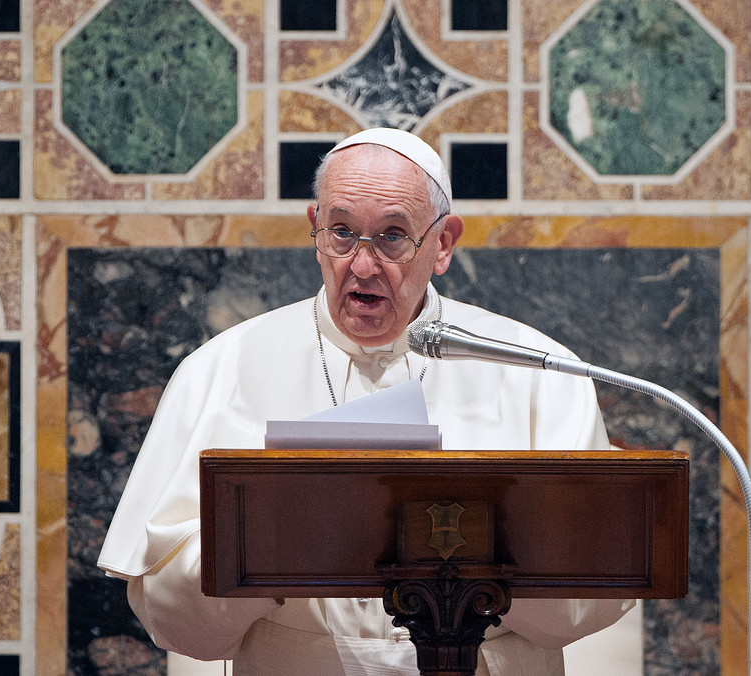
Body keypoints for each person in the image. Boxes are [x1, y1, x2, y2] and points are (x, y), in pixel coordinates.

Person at [97, 128, 634, 675]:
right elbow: (170, 619)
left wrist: (476, 563)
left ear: (443, 243)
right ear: (315, 230)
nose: (362, 264)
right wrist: (263, 547)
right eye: (342, 232)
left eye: (393, 236)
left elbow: (598, 586)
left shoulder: (535, 370)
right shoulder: (220, 370)